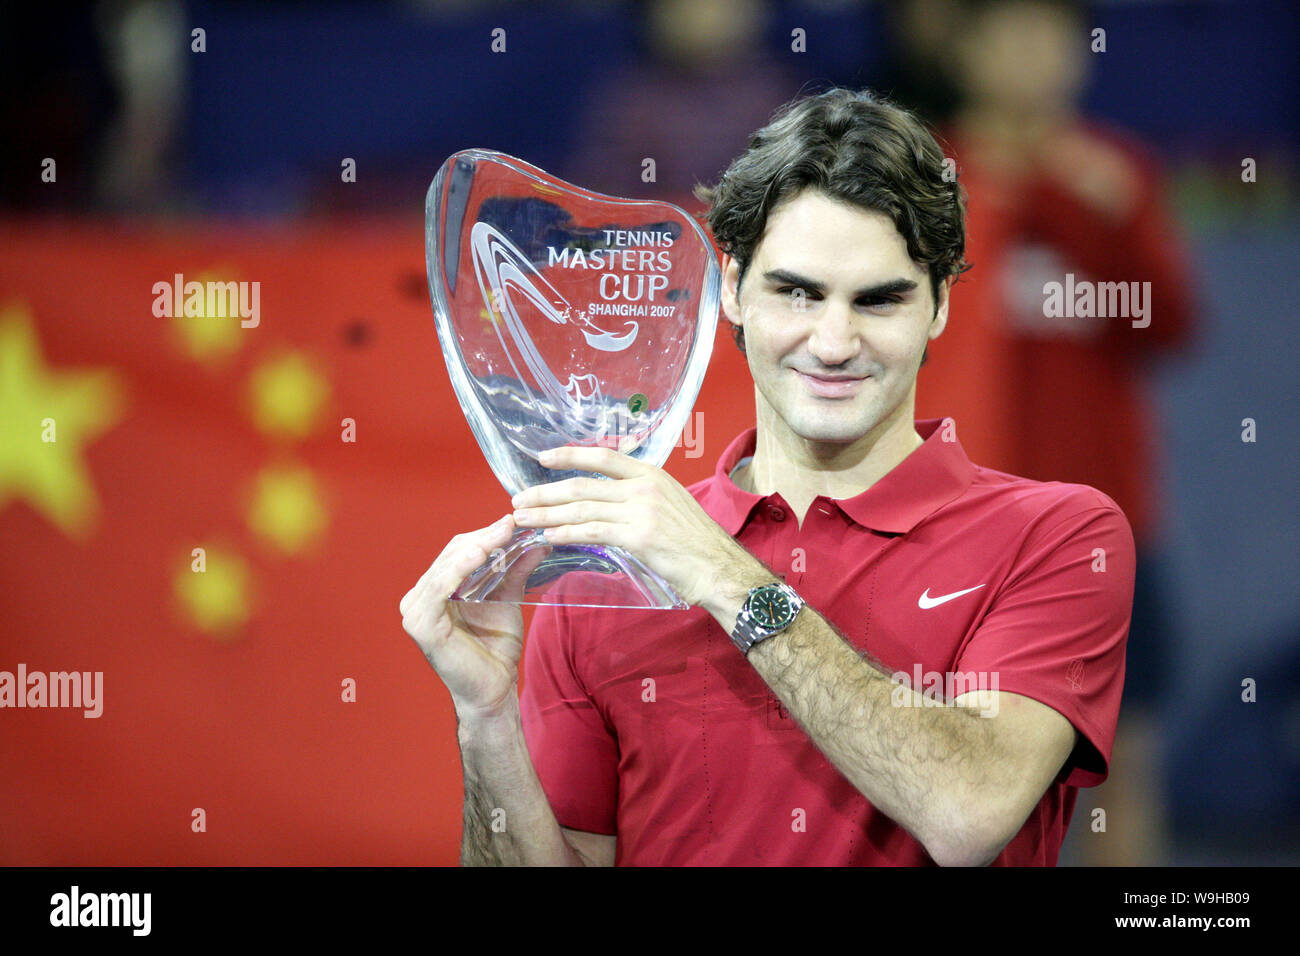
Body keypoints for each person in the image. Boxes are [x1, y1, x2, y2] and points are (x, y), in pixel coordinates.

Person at [400, 87, 1134, 866]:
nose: (834, 341)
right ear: (732, 289)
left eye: (879, 300)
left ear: (941, 305)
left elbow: (969, 813)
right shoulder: (616, 560)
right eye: (798, 292)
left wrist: (719, 571)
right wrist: (484, 721)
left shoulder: (1061, 535)